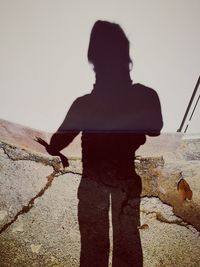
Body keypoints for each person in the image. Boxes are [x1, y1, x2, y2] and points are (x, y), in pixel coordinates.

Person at [37, 20, 163, 267]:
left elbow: (57, 142)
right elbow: (155, 128)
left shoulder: (83, 105)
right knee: (127, 246)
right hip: (124, 183)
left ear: (93, 61)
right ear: (126, 56)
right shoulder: (145, 96)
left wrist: (51, 148)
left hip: (94, 184)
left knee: (94, 251)